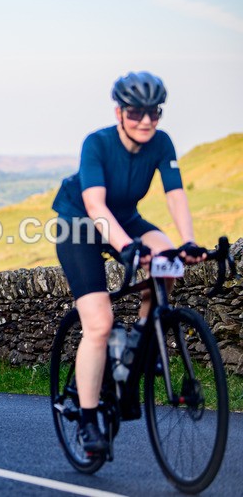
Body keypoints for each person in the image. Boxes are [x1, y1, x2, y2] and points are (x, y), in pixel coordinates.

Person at [51, 71, 206, 453]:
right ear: (119, 112)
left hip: (125, 216)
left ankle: (137, 343)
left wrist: (187, 241)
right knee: (99, 324)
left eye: (154, 112)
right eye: (137, 112)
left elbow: (175, 195)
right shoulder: (97, 143)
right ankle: (87, 419)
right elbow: (95, 206)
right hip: (79, 226)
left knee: (169, 262)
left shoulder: (161, 143)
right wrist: (127, 248)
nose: (147, 121)